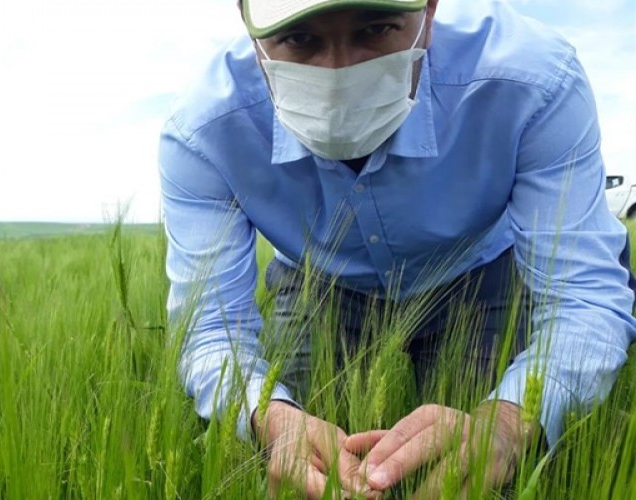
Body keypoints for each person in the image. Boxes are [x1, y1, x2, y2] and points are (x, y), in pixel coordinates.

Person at [158, 0, 636, 497]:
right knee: (297, 470)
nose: (340, 71)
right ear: (250, 28)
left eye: (376, 27)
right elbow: (211, 329)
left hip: (481, 272)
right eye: (300, 39)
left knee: (504, 470)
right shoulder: (203, 129)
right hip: (317, 282)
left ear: (428, 13)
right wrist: (269, 417)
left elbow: (584, 297)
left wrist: (511, 422)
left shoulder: (532, 80)